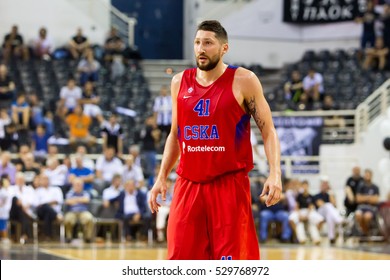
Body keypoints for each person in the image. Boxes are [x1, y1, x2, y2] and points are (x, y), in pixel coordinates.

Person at [148, 20, 282, 260]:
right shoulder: (179, 82)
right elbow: (175, 134)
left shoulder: (244, 80)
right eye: (197, 42)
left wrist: (275, 174)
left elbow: (268, 130)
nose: (201, 48)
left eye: (208, 43)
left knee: (232, 263)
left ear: (224, 48)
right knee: (180, 258)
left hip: (228, 185)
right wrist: (161, 178)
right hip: (188, 184)